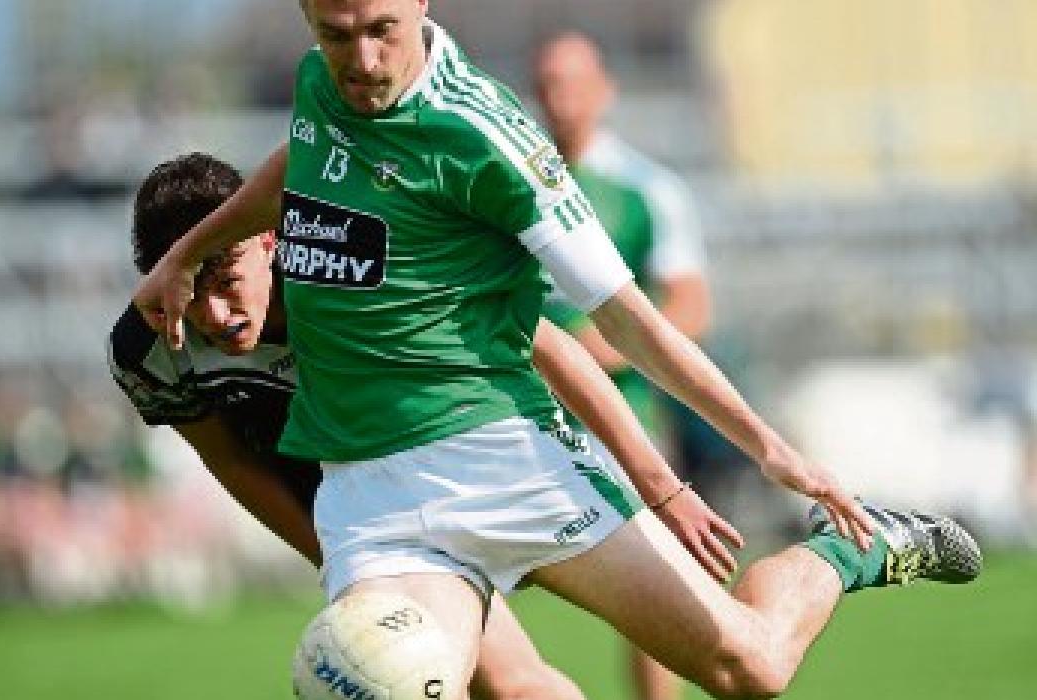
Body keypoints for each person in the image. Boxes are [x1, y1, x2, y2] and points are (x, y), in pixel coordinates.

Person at [133, 3, 982, 698]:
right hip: (373, 500)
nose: (360, 60)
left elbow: (629, 321)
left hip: (505, 459)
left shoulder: (487, 139)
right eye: (335, 33)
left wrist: (768, 450)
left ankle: (847, 551)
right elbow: (302, 161)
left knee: (749, 668)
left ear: (421, 4)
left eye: (380, 30)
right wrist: (184, 256)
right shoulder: (322, 84)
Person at [112, 152, 738, 698]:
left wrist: (660, 486)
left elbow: (544, 343)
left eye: (227, 281)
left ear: (268, 240)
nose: (214, 315)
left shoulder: (352, 260)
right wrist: (333, 557)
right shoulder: (150, 349)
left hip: (473, 457)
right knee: (479, 684)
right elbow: (231, 460)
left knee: (731, 663)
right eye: (188, 294)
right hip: (371, 515)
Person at [534, 32, 716, 700]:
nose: (559, 98)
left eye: (572, 82)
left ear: (605, 90)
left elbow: (691, 306)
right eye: (547, 84)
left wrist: (603, 348)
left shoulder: (647, 190)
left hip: (622, 415)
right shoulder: (511, 182)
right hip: (518, 410)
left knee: (654, 586)